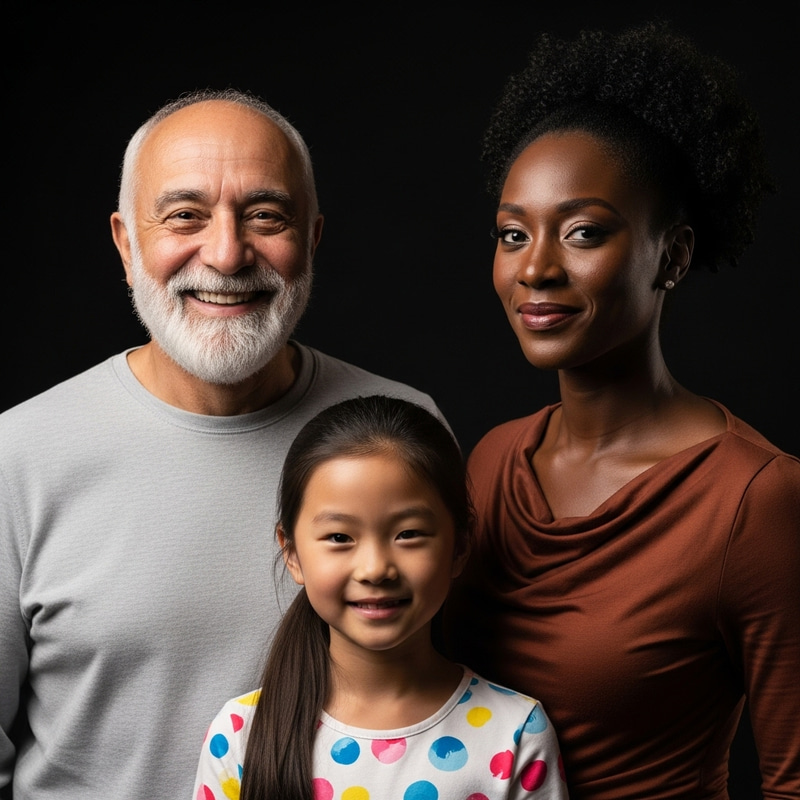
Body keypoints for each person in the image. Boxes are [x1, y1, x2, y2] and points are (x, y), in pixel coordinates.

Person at [0, 89, 448, 800]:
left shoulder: (400, 430)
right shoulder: (16, 458)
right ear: (125, 242)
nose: (228, 253)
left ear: (313, 238)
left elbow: (449, 698)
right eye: (184, 216)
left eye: (266, 216)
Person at [442, 20, 800, 800]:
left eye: (582, 233)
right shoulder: (493, 460)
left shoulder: (754, 498)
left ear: (671, 254)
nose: (535, 268)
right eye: (512, 233)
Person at [192, 394, 568, 800]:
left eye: (407, 534)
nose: (374, 569)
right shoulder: (239, 735)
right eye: (339, 538)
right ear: (292, 553)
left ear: (459, 547)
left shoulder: (515, 734)